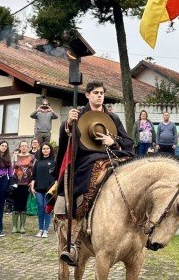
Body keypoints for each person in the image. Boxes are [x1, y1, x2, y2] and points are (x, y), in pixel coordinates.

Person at [55, 81, 134, 265]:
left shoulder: (112, 117)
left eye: (102, 93)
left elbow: (127, 141)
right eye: (96, 93)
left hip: (111, 155)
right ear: (87, 95)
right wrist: (68, 123)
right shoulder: (78, 114)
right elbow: (66, 135)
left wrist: (112, 140)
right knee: (89, 175)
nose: (100, 96)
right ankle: (75, 234)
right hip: (85, 158)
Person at [30, 142, 56, 238]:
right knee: (40, 208)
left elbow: (57, 177)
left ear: (50, 150)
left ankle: (45, 230)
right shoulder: (38, 162)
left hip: (49, 190)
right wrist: (32, 186)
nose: (45, 150)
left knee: (47, 209)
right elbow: (33, 176)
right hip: (38, 189)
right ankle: (40, 229)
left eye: (47, 148)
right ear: (41, 150)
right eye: (44, 148)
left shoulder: (54, 162)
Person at [11, 140, 35, 233]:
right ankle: (14, 226)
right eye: (22, 146)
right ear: (20, 147)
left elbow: (34, 170)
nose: (24, 147)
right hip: (16, 184)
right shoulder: (15, 156)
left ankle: (22, 227)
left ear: (28, 147)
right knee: (15, 204)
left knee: (23, 204)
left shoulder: (32, 157)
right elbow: (12, 169)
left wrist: (33, 181)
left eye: (25, 146)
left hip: (26, 184)